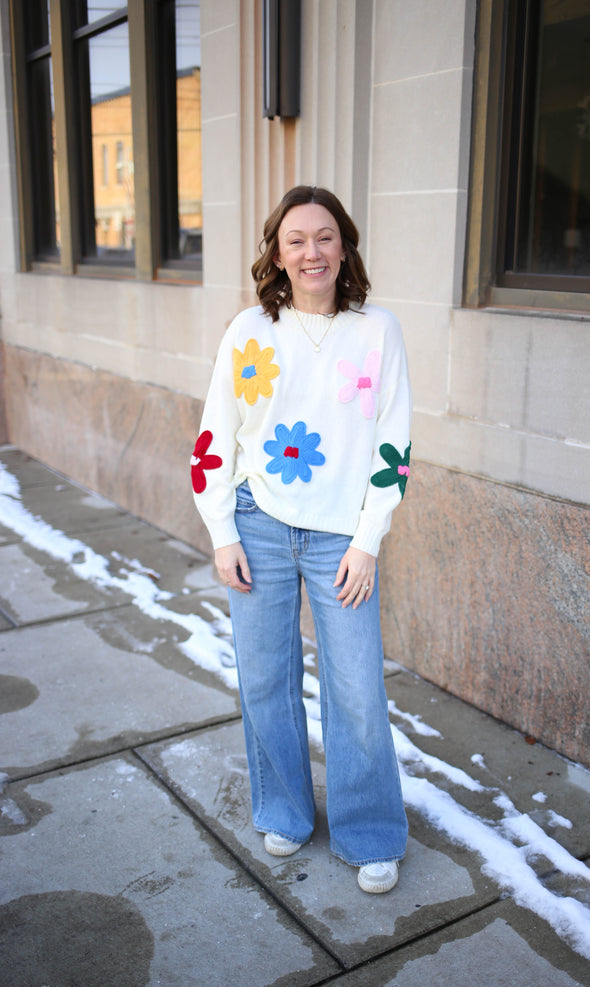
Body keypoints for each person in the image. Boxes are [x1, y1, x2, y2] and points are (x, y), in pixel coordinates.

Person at [191, 185, 412, 894]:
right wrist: (222, 529)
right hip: (258, 523)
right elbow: (214, 435)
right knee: (264, 678)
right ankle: (284, 810)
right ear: (277, 254)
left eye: (324, 237)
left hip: (340, 538)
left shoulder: (377, 330)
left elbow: (395, 445)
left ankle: (369, 833)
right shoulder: (249, 331)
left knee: (354, 687)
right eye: (296, 240)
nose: (311, 251)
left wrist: (368, 539)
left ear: (343, 245)